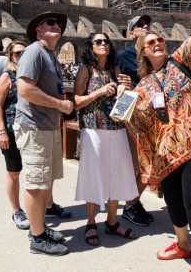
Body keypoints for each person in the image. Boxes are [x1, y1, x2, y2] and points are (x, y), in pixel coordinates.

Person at [128, 0, 191, 272]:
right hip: (168, 151)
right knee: (174, 200)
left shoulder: (181, 60)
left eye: (160, 40)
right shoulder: (142, 86)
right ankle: (182, 244)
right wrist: (126, 111)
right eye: (150, 42)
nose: (157, 44)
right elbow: (143, 126)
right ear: (142, 51)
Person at [15, 11, 74, 256]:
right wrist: (60, 105)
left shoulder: (51, 55)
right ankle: (38, 238)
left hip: (48, 126)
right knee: (36, 184)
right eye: (50, 23)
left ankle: (39, 227)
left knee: (45, 182)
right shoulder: (34, 51)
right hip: (34, 126)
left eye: (59, 24)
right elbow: (25, 89)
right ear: (38, 31)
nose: (57, 26)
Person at [74, 32, 138, 246]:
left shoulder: (115, 70)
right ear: (90, 46)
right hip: (93, 129)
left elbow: (125, 96)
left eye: (106, 41)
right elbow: (76, 101)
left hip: (116, 127)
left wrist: (125, 87)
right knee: (94, 174)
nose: (103, 44)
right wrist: (99, 92)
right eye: (98, 41)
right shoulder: (85, 70)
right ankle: (91, 221)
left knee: (117, 174)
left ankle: (112, 221)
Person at [115, 14, 155, 227]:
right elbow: (117, 82)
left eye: (147, 24)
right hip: (133, 116)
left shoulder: (155, 51)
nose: (145, 26)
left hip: (154, 115)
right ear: (131, 33)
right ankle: (131, 205)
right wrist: (123, 87)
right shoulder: (125, 55)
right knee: (139, 162)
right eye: (139, 25)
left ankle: (133, 202)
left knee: (152, 162)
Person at [0, 39, 30, 230]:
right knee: (14, 171)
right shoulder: (7, 77)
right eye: (17, 53)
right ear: (10, 57)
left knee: (35, 171)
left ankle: (45, 206)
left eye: (25, 52)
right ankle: (17, 211)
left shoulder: (31, 76)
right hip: (10, 129)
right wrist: (1, 132)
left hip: (31, 130)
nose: (21, 56)